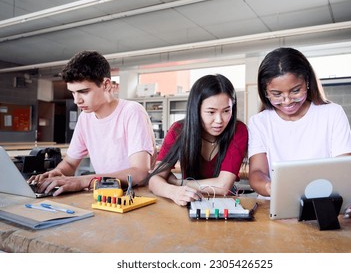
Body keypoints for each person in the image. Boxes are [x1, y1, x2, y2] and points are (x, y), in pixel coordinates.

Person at [248, 47, 351, 225]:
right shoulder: (259, 122)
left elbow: (348, 172)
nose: (287, 101)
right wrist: (274, 188)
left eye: (295, 91)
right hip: (276, 214)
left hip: (325, 211)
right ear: (265, 91)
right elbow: (257, 173)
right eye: (277, 94)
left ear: (307, 82)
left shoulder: (332, 113)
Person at [28, 50, 155, 196]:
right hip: (105, 194)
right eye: (73, 93)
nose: (77, 100)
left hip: (136, 196)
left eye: (84, 91)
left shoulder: (131, 111)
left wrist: (82, 181)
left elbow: (139, 173)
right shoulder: (85, 118)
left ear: (106, 85)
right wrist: (56, 173)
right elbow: (70, 163)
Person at [147, 74, 248, 206]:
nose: (219, 120)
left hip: (224, 206)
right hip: (187, 202)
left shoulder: (238, 130)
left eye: (226, 111)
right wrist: (173, 192)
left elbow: (223, 186)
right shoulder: (178, 130)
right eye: (211, 112)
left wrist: (178, 182)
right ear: (196, 109)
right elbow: (154, 179)